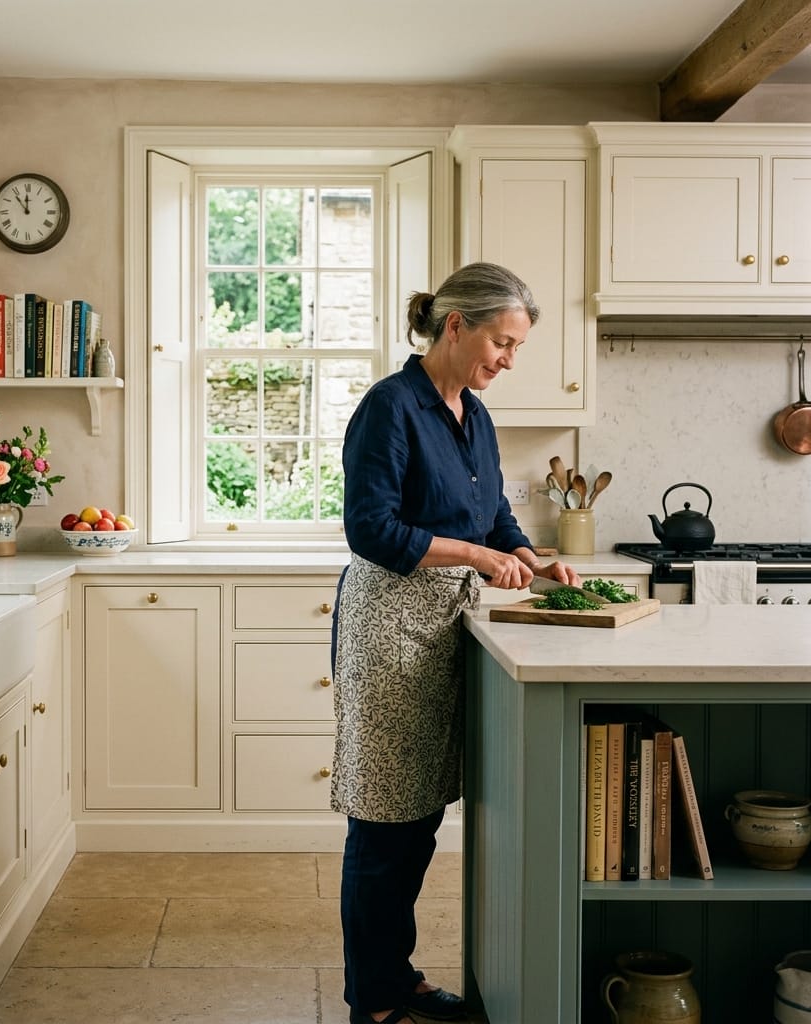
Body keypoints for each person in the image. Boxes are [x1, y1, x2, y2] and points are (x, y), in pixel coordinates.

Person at [331, 262, 582, 1024]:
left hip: (449, 625)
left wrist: (535, 559)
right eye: (502, 343)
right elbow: (370, 530)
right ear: (455, 326)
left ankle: (395, 975)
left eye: (515, 348)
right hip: (392, 624)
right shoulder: (391, 406)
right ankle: (372, 998)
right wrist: (477, 557)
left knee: (420, 822)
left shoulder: (473, 413)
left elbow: (494, 517)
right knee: (385, 821)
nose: (507, 359)